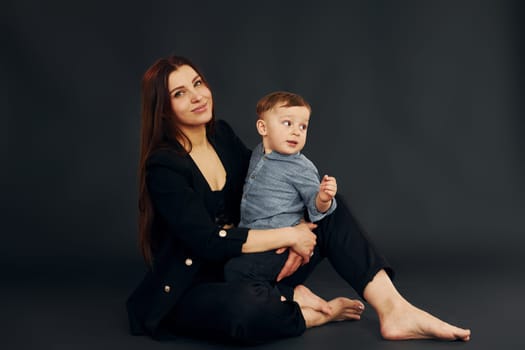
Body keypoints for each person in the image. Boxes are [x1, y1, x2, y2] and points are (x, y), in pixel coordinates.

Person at [126, 54, 471, 345]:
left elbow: (269, 189)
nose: (197, 96)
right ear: (164, 108)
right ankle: (303, 307)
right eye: (180, 93)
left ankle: (394, 308)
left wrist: (302, 222)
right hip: (201, 283)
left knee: (327, 210)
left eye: (198, 84)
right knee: (244, 311)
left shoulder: (221, 135)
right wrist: (291, 236)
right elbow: (206, 241)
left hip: (255, 263)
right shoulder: (164, 166)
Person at [224, 91, 338, 289]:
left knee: (236, 272)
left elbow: (315, 205)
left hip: (279, 245)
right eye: (288, 123)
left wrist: (324, 198)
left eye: (303, 126)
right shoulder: (259, 152)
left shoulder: (300, 167)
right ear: (263, 127)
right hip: (253, 237)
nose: (297, 131)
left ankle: (290, 298)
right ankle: (288, 296)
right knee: (219, 268)